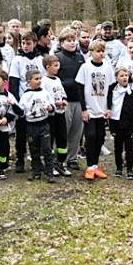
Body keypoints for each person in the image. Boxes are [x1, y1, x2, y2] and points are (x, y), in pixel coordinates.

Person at [75, 40, 115, 180]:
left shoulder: (107, 68)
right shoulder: (85, 68)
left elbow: (110, 89)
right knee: (90, 136)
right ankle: (89, 167)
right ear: (91, 53)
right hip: (89, 109)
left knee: (100, 136)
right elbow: (80, 89)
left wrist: (109, 108)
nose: (101, 54)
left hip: (102, 109)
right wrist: (83, 109)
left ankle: (96, 165)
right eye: (98, 51)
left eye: (103, 51)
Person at [9, 31, 45, 173]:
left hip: (36, 103)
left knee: (36, 134)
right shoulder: (17, 60)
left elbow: (43, 80)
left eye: (28, 43)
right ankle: (20, 159)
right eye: (23, 43)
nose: (25, 46)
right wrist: (17, 104)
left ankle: (36, 160)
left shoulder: (40, 59)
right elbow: (14, 82)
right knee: (21, 134)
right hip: (23, 103)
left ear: (35, 44)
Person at [54, 29, 86, 172]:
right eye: (69, 40)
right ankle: (57, 159)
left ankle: (72, 158)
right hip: (64, 101)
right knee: (62, 131)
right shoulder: (57, 57)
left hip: (79, 100)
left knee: (76, 132)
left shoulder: (80, 57)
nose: (72, 43)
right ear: (62, 43)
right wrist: (66, 84)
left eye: (74, 40)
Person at [18, 69, 56, 183]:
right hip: (31, 125)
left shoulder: (44, 93)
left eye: (40, 78)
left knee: (46, 149)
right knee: (34, 149)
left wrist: (51, 108)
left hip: (43, 124)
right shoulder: (26, 95)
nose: (39, 81)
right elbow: (21, 111)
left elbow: (52, 106)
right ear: (29, 81)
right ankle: (36, 171)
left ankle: (50, 171)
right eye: (36, 79)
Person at [41, 54, 70, 177]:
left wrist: (63, 100)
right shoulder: (44, 81)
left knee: (62, 137)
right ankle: (50, 163)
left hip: (61, 113)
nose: (58, 68)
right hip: (51, 115)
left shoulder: (57, 80)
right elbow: (44, 98)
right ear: (48, 67)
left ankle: (61, 162)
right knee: (50, 139)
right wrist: (54, 103)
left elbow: (62, 92)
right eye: (56, 66)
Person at [108, 66, 133, 179]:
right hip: (118, 124)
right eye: (121, 76)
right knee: (118, 148)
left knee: (129, 148)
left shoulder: (131, 93)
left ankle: (130, 169)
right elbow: (112, 109)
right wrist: (112, 128)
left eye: (126, 75)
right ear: (116, 78)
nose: (124, 78)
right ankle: (119, 168)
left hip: (129, 125)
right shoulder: (114, 92)